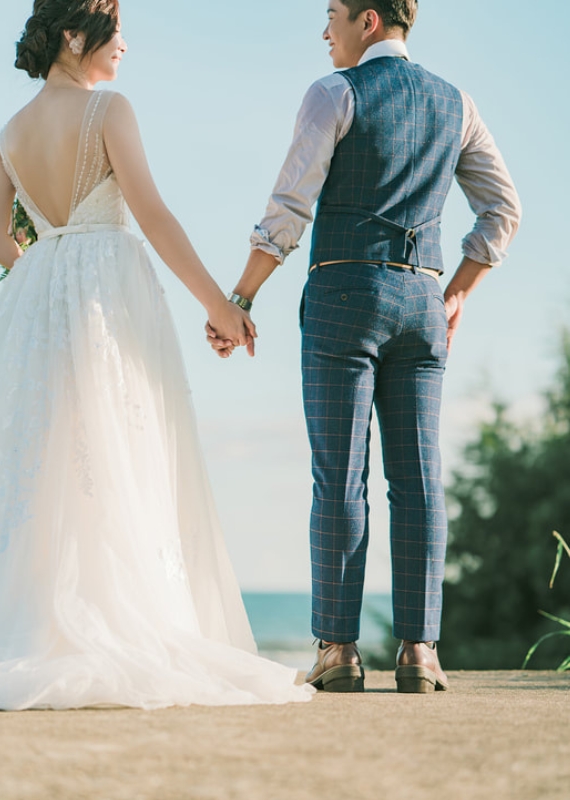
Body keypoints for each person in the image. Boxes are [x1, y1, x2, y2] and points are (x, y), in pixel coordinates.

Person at [0, 0, 314, 711]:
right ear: (75, 36)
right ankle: (111, 616)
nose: (125, 46)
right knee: (118, 452)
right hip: (105, 290)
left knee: (48, 463)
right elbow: (153, 214)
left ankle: (42, 618)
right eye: (115, 30)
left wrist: (41, 265)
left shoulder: (8, 132)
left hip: (38, 296)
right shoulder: (109, 112)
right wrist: (220, 306)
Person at [211, 0, 520, 692]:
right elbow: (504, 209)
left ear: (369, 21)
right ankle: (421, 652)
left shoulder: (333, 95)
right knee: (417, 480)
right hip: (422, 303)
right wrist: (461, 288)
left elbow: (287, 211)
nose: (325, 32)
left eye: (333, 16)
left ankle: (339, 652)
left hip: (343, 299)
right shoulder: (457, 103)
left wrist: (241, 298)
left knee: (340, 476)